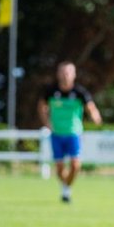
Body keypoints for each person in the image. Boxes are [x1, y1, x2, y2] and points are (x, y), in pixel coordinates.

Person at [37, 61, 103, 203]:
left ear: (74, 74)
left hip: (74, 133)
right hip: (56, 134)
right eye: (63, 72)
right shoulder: (51, 91)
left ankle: (66, 188)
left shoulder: (79, 92)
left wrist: (95, 116)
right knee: (60, 167)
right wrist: (46, 122)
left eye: (68, 72)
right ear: (58, 74)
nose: (65, 75)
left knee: (75, 165)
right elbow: (41, 106)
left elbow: (91, 107)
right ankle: (66, 188)